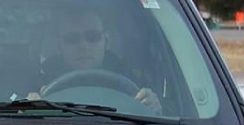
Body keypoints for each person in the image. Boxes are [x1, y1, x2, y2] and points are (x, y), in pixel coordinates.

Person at [29, 9, 162, 113]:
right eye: (72, 39)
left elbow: (170, 117)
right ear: (59, 46)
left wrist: (152, 106)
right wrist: (27, 106)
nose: (84, 46)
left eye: (92, 37)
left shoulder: (132, 80)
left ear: (106, 41)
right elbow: (13, 102)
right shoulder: (40, 81)